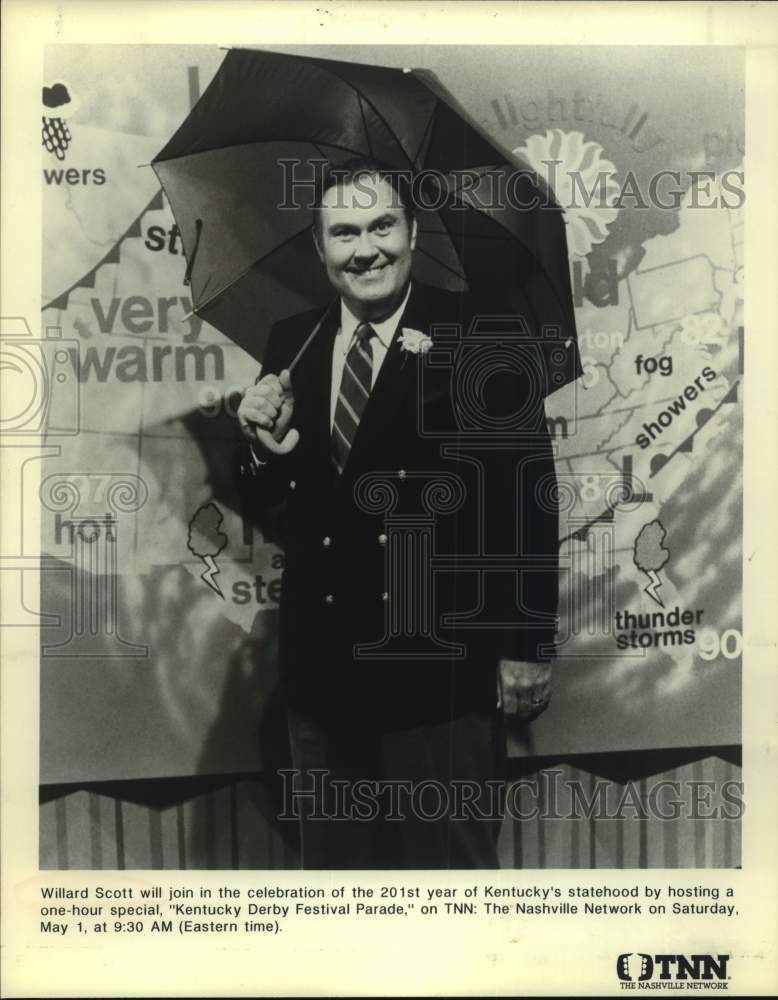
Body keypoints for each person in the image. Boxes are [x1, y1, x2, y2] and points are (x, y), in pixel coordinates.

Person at [236, 157, 571, 869]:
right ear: (320, 250)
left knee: (451, 888)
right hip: (321, 677)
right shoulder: (289, 344)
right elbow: (281, 511)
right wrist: (263, 450)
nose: (367, 249)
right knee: (339, 892)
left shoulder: (483, 333)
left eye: (383, 224)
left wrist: (526, 644)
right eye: (345, 232)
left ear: (413, 232)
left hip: (439, 677)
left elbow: (528, 502)